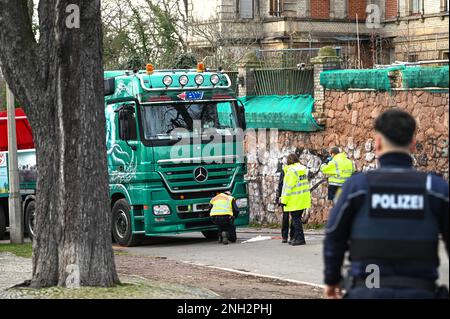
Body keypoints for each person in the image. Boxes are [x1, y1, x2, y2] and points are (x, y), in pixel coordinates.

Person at [323, 109, 449, 299]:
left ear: (378, 144)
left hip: (366, 290)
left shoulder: (357, 187)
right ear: (413, 145)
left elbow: (334, 236)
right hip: (420, 291)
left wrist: (331, 280)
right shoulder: (435, 189)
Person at [279, 153, 311, 246]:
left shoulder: (291, 171)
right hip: (303, 198)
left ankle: (300, 238)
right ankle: (296, 238)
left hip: (294, 200)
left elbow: (288, 188)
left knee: (296, 220)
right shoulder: (303, 169)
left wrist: (283, 200)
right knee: (297, 219)